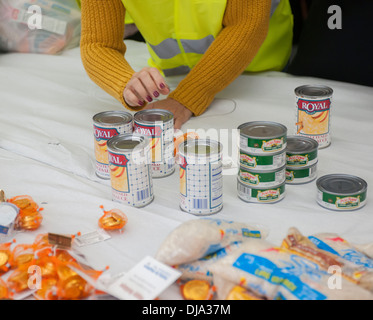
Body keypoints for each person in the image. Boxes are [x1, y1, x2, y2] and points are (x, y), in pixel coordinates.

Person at [79, 0, 293, 129]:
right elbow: (98, 43)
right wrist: (126, 84)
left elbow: (247, 25)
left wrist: (187, 97)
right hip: (173, 75)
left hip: (255, 75)